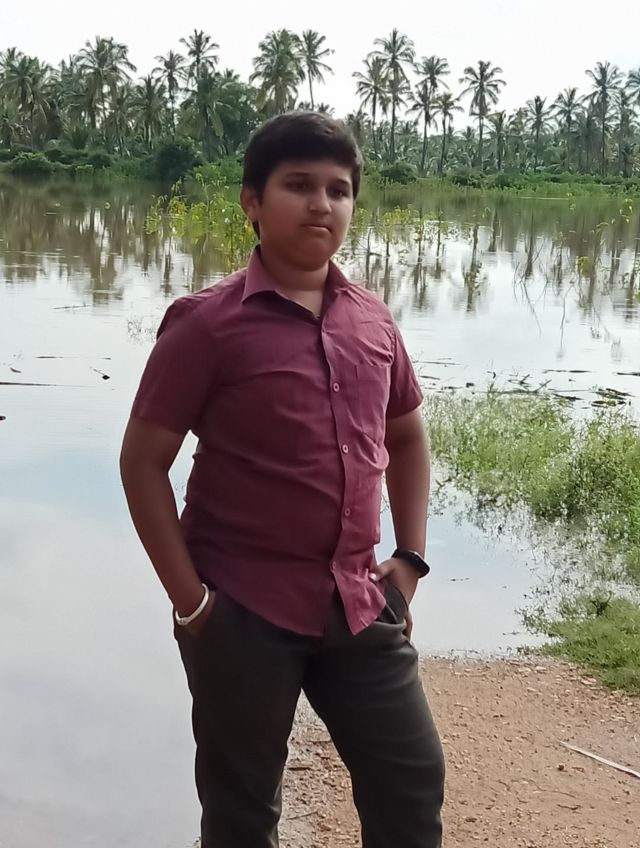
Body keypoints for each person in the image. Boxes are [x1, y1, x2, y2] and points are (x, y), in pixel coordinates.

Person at [120, 111, 445, 848]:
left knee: (410, 781)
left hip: (359, 602)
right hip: (242, 611)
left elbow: (405, 434)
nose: (321, 205)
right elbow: (142, 463)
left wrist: (410, 558)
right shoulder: (206, 325)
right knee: (242, 813)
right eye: (298, 185)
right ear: (252, 202)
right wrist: (194, 605)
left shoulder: (374, 322)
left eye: (338, 189)